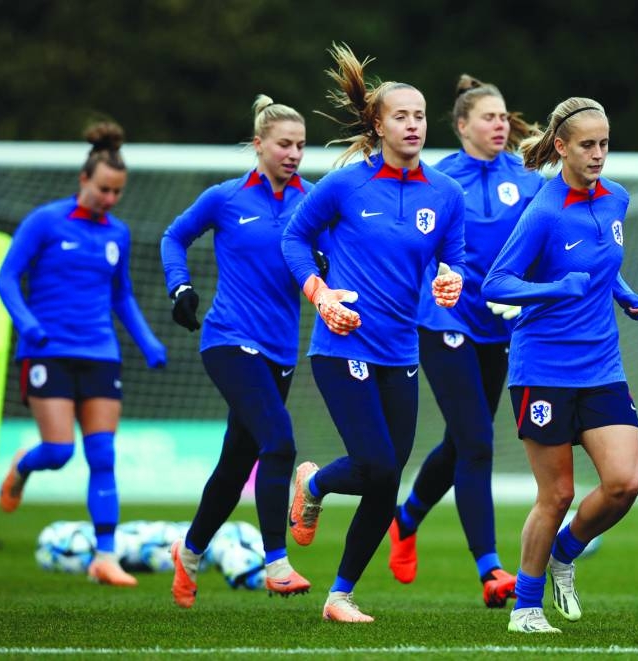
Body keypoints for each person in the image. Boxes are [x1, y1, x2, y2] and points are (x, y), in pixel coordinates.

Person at [282, 43, 466, 624]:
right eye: (401, 115)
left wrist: (450, 281)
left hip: (401, 350)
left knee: (385, 481)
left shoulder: (446, 193)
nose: (413, 124)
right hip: (342, 346)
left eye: (420, 115)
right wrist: (319, 292)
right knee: (380, 467)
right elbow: (293, 239)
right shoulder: (343, 187)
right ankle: (313, 489)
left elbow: (453, 258)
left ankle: (339, 594)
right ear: (378, 124)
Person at [482, 96, 638, 634]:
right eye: (587, 145)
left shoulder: (616, 198)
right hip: (543, 369)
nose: (599, 154)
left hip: (602, 365)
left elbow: (600, 265)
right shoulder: (544, 212)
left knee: (625, 483)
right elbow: (496, 283)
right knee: (556, 494)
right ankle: (526, 608)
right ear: (561, 148)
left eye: (605, 144)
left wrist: (622, 292)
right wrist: (557, 289)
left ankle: (564, 552)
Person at [386, 74, 545, 608]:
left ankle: (406, 519)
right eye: (489, 116)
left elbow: (542, 242)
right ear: (461, 127)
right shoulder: (439, 178)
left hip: (500, 326)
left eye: (504, 116)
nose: (500, 124)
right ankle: (491, 570)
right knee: (477, 442)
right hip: (444, 320)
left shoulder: (527, 178)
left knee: (460, 443)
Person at [0, 120, 167, 587]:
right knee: (58, 450)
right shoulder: (45, 222)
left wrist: (147, 340)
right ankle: (23, 466)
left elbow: (122, 296)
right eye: (104, 190)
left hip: (101, 353)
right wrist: (28, 323)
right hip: (47, 352)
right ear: (84, 180)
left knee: (103, 454)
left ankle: (105, 556)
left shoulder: (118, 234)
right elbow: (6, 278)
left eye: (117, 193)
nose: (110, 200)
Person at [160, 95, 316, 608]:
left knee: (234, 465)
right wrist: (180, 287)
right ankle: (276, 561)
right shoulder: (225, 198)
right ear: (259, 145)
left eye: (300, 145)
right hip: (227, 339)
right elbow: (173, 236)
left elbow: (338, 259)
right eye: (284, 144)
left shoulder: (312, 200)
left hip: (280, 351)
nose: (294, 153)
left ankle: (189, 553)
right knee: (280, 442)